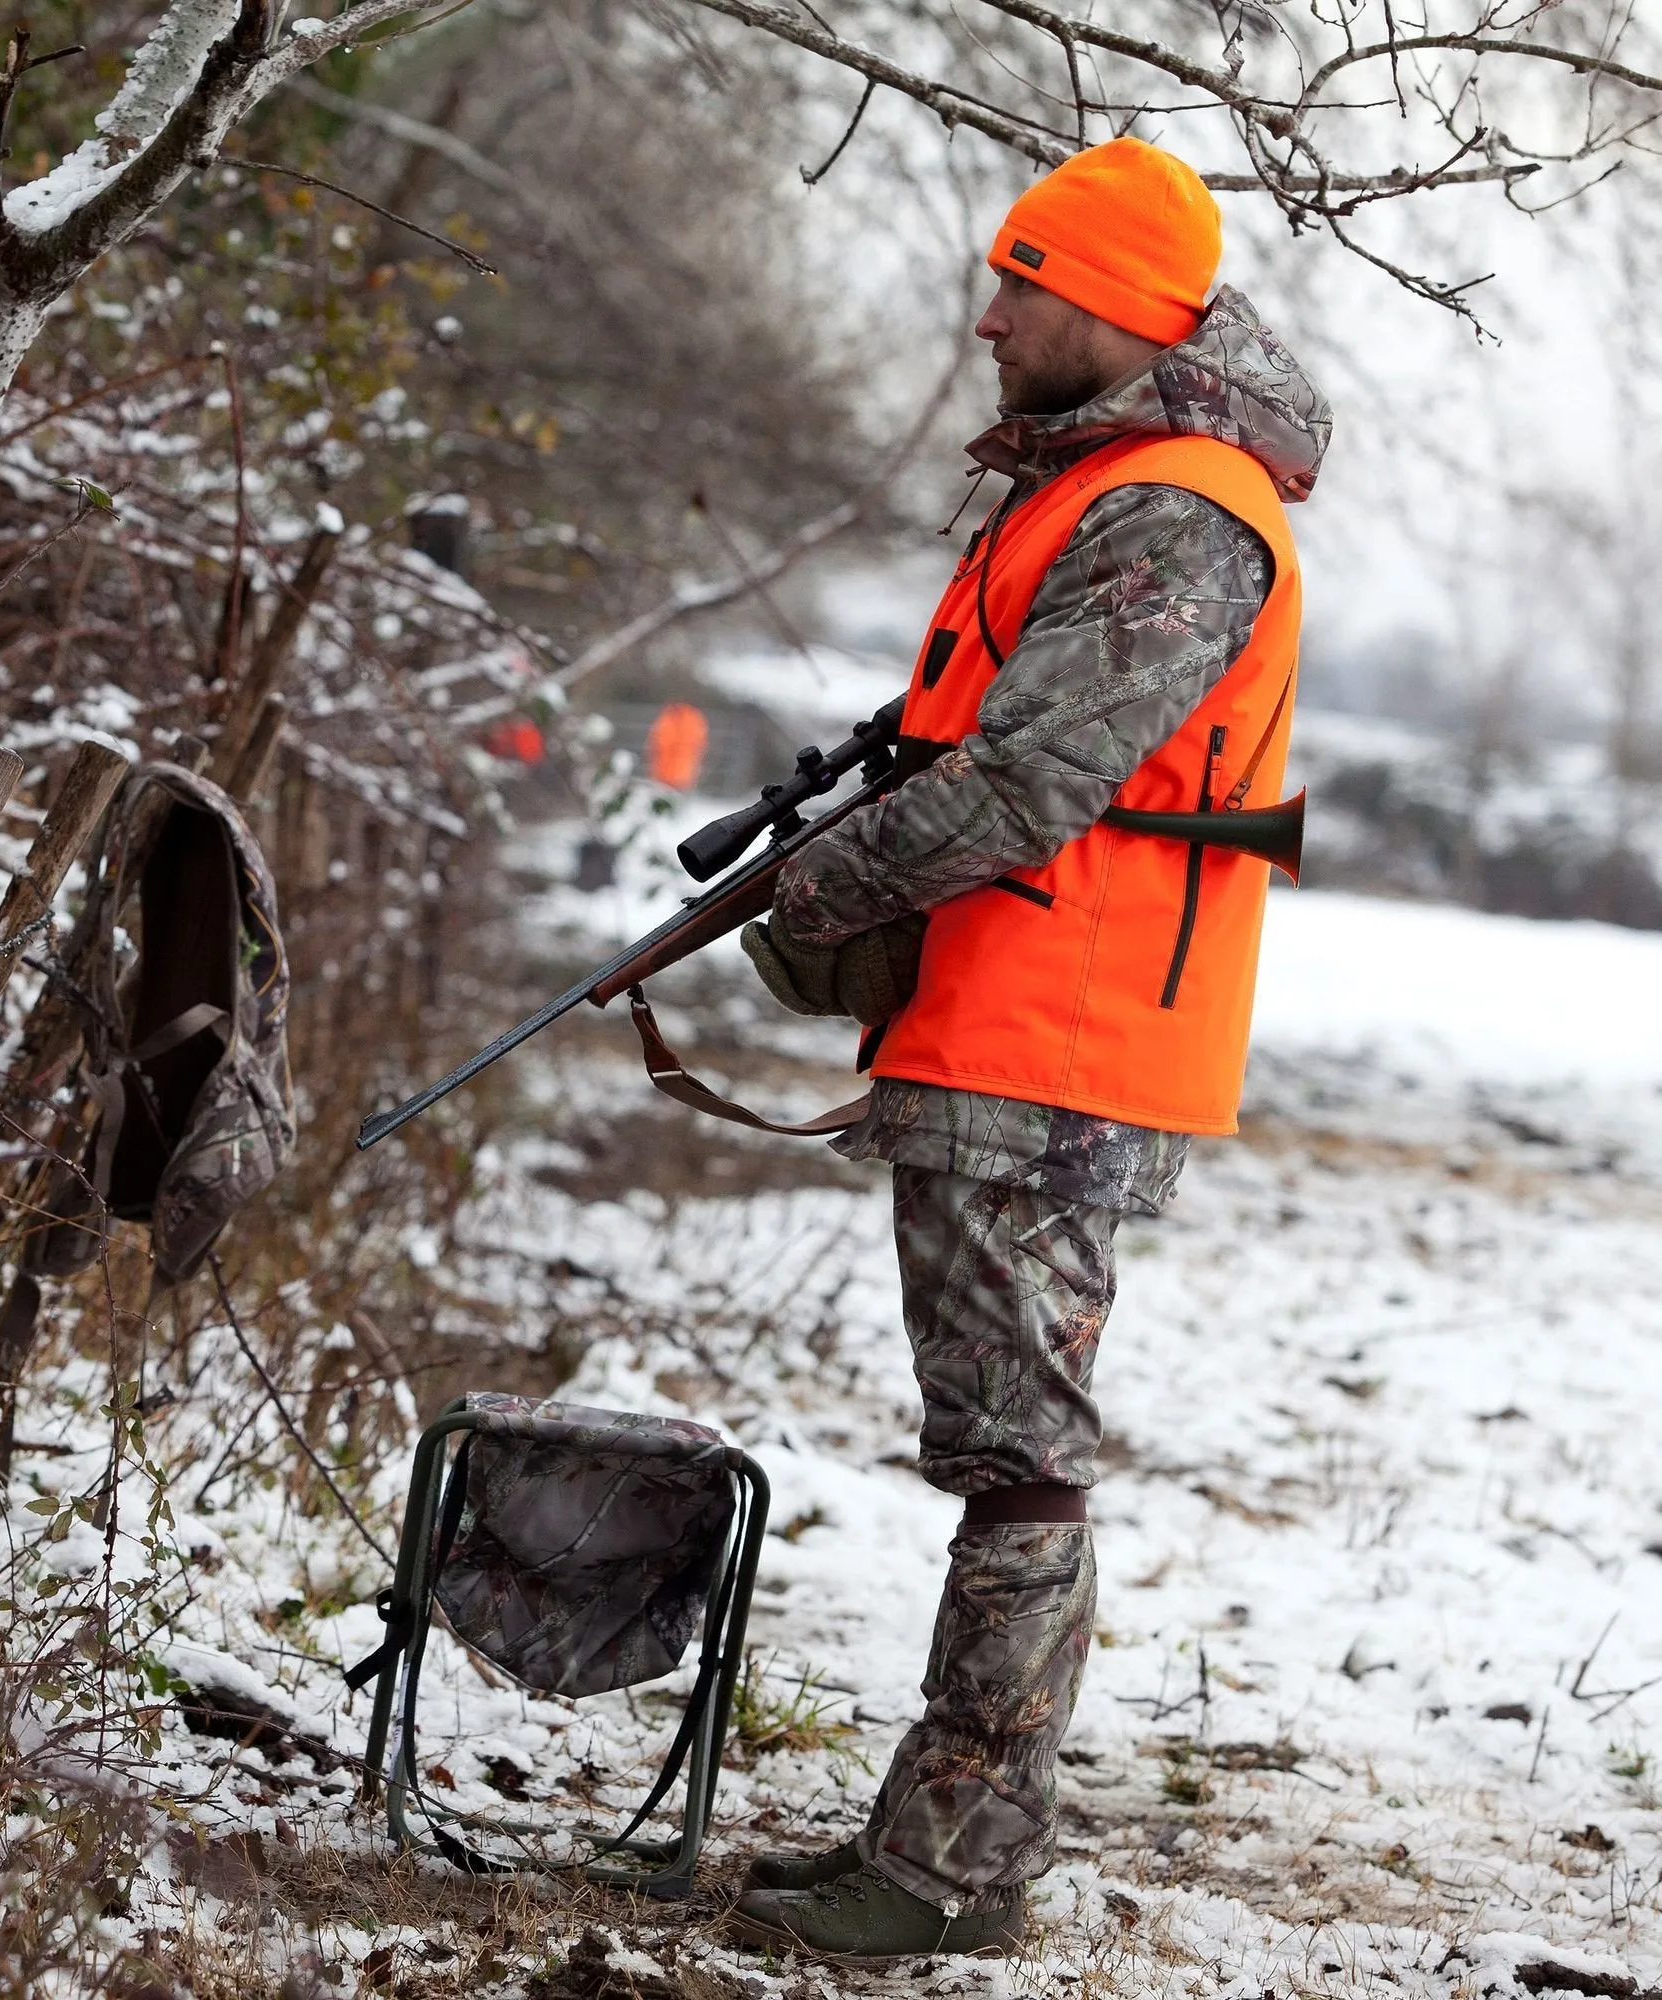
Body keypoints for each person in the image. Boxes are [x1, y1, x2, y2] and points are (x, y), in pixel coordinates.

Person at [727, 136, 1331, 1959]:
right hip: (1010, 1023)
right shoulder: (1104, 486)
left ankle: (946, 1871)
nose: (991, 318)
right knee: (1007, 1447)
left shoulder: (1179, 510)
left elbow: (1033, 780)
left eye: (1024, 286)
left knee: (1020, 1459)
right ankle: (951, 1853)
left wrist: (815, 897)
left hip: (1057, 1039)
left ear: (1112, 306)